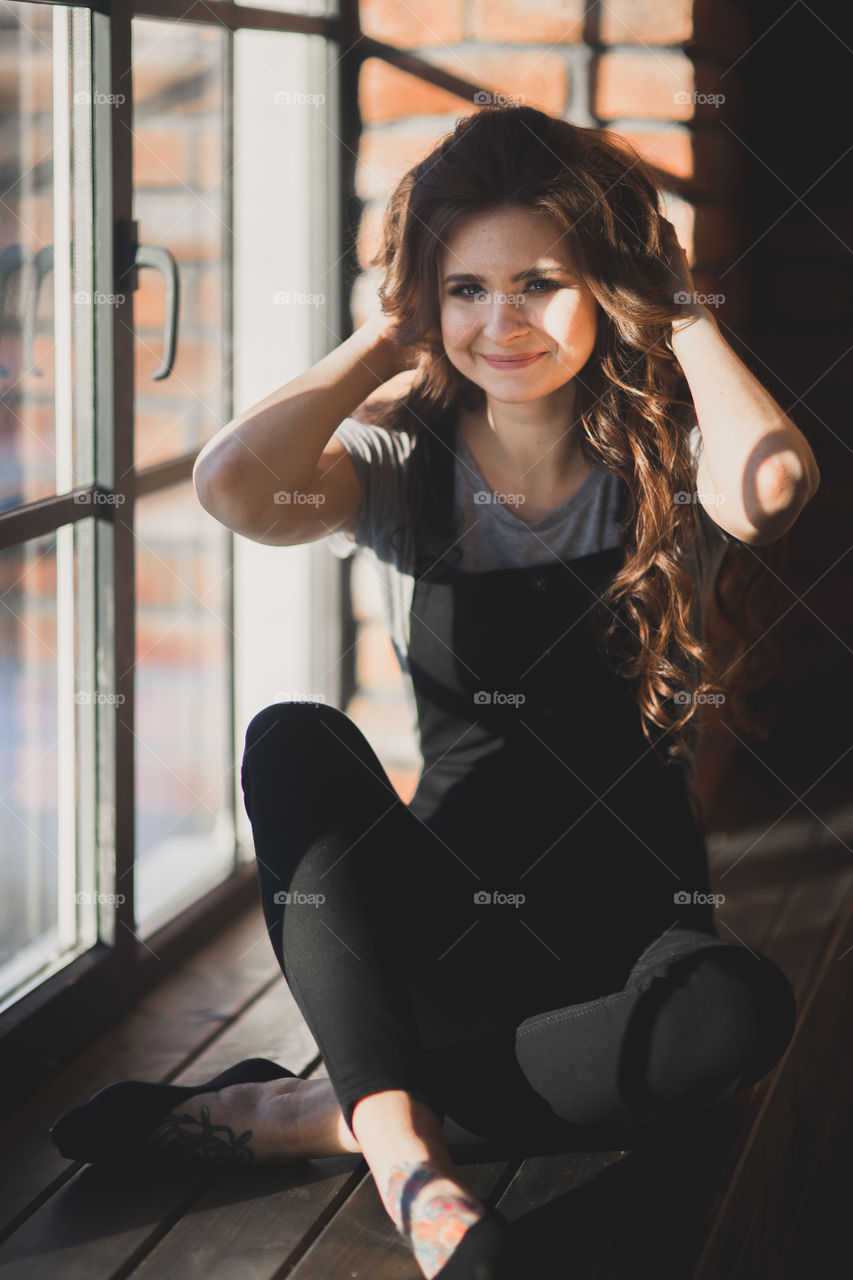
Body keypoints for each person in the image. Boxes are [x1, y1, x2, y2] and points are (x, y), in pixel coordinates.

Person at [52, 105, 818, 1280]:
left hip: (628, 935)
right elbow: (233, 485)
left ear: (607, 286)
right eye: (467, 288)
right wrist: (382, 341)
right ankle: (413, 1164)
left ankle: (318, 1111)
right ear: (428, 299)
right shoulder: (405, 464)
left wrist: (677, 307)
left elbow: (771, 490)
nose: (501, 323)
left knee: (737, 1010)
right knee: (292, 739)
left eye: (540, 284)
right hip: (450, 931)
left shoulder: (667, 456)